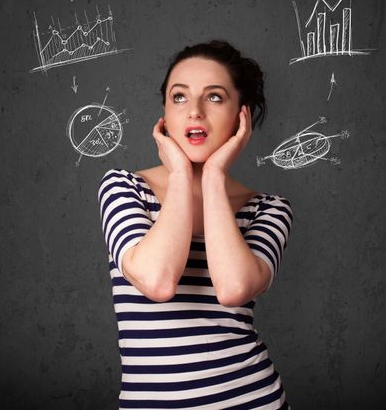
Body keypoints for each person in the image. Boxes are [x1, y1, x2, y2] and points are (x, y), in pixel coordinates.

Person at [98, 40, 293, 409]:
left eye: (215, 98)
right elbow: (157, 280)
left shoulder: (268, 209)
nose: (195, 112)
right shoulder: (124, 187)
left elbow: (233, 288)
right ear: (164, 113)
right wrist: (180, 176)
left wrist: (215, 175)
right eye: (179, 97)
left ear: (242, 116)